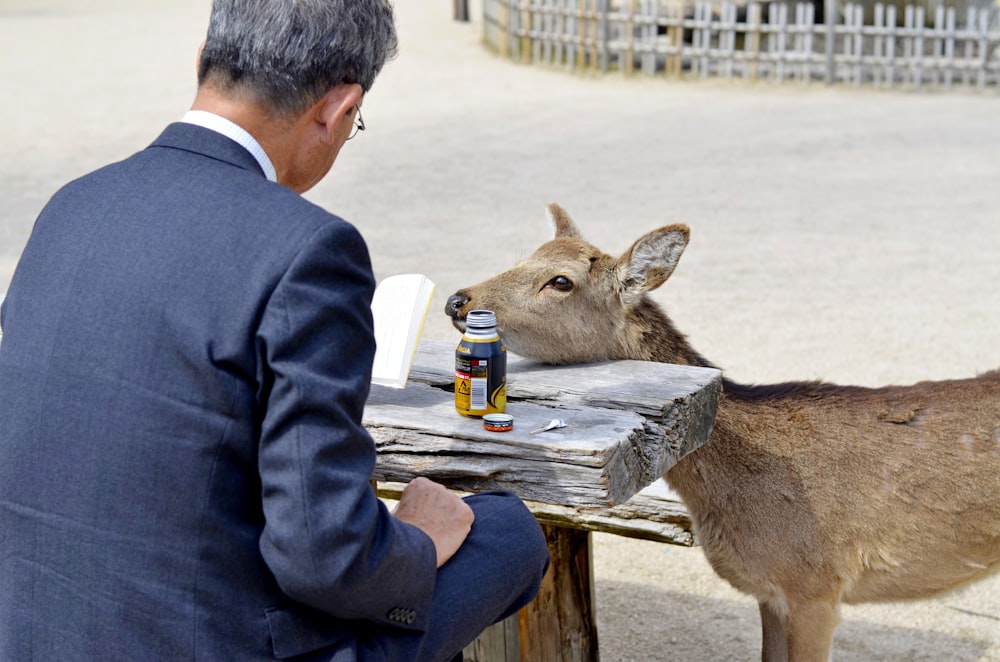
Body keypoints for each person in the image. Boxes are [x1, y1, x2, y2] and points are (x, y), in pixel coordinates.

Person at [0, 1, 549, 660]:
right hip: (215, 638)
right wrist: (420, 540)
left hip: (36, 628)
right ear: (338, 108)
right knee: (506, 532)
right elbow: (323, 555)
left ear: (204, 53)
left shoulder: (72, 205)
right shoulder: (307, 249)